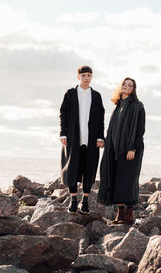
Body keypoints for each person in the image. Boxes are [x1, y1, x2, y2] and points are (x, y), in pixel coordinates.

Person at [98, 77, 145, 224]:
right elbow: (113, 128)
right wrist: (106, 141)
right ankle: (120, 214)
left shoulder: (137, 106)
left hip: (130, 150)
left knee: (129, 180)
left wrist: (133, 148)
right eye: (124, 84)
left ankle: (129, 214)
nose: (126, 86)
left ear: (133, 90)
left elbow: (140, 129)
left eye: (130, 85)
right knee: (116, 179)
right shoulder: (118, 105)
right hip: (114, 150)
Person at [60, 65, 105, 214]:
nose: (86, 78)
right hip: (73, 138)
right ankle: (73, 200)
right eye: (83, 75)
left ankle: (85, 201)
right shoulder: (70, 94)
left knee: (89, 169)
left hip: (91, 140)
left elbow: (100, 118)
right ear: (78, 76)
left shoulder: (96, 96)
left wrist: (100, 136)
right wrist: (63, 133)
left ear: (91, 77)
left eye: (89, 75)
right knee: (71, 169)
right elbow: (63, 114)